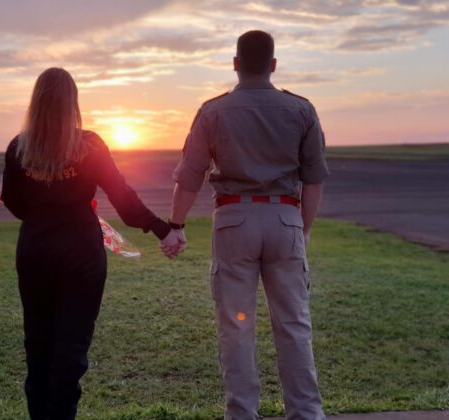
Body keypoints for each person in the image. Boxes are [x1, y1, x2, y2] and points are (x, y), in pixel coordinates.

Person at [1, 67, 183, 419]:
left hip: (35, 250)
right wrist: (164, 230)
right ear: (73, 102)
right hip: (81, 252)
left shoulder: (18, 147)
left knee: (38, 344)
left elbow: (13, 202)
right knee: (71, 347)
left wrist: (42, 213)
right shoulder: (90, 145)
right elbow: (123, 199)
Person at [166, 31, 329, 419]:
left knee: (235, 327)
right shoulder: (301, 109)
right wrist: (302, 230)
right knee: (294, 324)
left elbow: (189, 176)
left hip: (234, 220)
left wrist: (176, 225)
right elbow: (314, 180)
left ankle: (241, 413)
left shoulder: (213, 111)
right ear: (273, 65)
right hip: (285, 218)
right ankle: (306, 413)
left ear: (235, 64)